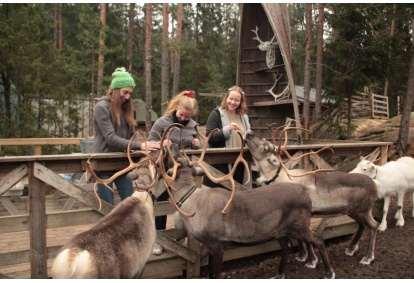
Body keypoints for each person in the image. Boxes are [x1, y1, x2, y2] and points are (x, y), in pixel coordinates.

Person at [92, 67, 160, 206]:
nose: (128, 96)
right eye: (125, 92)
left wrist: (136, 148)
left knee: (130, 203)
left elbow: (131, 135)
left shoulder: (127, 109)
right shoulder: (102, 107)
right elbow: (110, 138)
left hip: (122, 163)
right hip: (103, 164)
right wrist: (140, 145)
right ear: (115, 90)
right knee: (107, 207)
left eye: (129, 93)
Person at [148, 90, 201, 255]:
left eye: (187, 117)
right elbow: (150, 142)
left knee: (185, 204)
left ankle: (181, 236)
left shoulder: (193, 125)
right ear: (175, 107)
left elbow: (196, 146)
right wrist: (161, 142)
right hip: (164, 170)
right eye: (181, 115)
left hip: (183, 174)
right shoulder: (162, 122)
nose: (184, 119)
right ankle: (159, 239)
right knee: (162, 204)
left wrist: (196, 144)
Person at [202, 85, 252, 190]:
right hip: (220, 164)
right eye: (231, 99)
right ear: (226, 98)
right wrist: (227, 130)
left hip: (239, 164)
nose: (233, 102)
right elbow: (210, 137)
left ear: (241, 102)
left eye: (237, 100)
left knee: (237, 193)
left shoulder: (244, 117)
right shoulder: (216, 114)